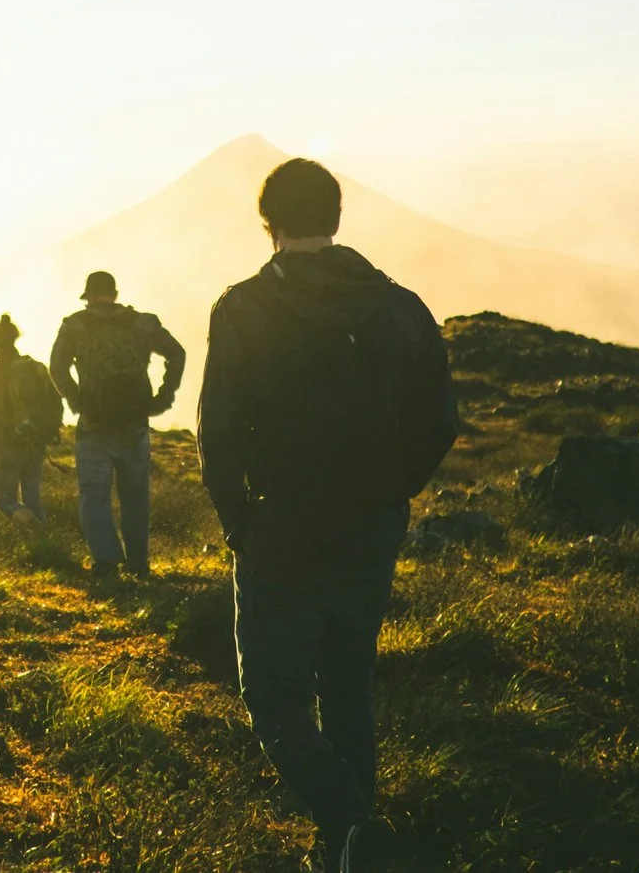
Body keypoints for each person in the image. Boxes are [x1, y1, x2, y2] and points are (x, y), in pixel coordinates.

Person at [198, 158, 459, 873]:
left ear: (269, 222)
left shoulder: (244, 308)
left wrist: (239, 522)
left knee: (273, 699)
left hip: (279, 529)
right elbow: (441, 419)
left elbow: (218, 433)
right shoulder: (399, 305)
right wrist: (394, 491)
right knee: (348, 686)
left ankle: (346, 821)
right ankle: (349, 844)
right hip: (369, 529)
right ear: (336, 219)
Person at [49, 270, 186, 579]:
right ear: (115, 293)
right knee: (135, 497)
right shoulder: (142, 323)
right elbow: (177, 354)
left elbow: (56, 368)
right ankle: (138, 565)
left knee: (94, 496)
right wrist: (163, 398)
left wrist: (78, 403)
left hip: (94, 424)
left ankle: (107, 563)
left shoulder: (75, 326)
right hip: (135, 422)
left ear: (88, 296)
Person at [0, 314, 61, 524]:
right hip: (35, 442)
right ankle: (45, 546)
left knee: (6, 502)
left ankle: (33, 527)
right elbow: (55, 400)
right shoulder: (35, 367)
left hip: (9, 443)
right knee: (33, 501)